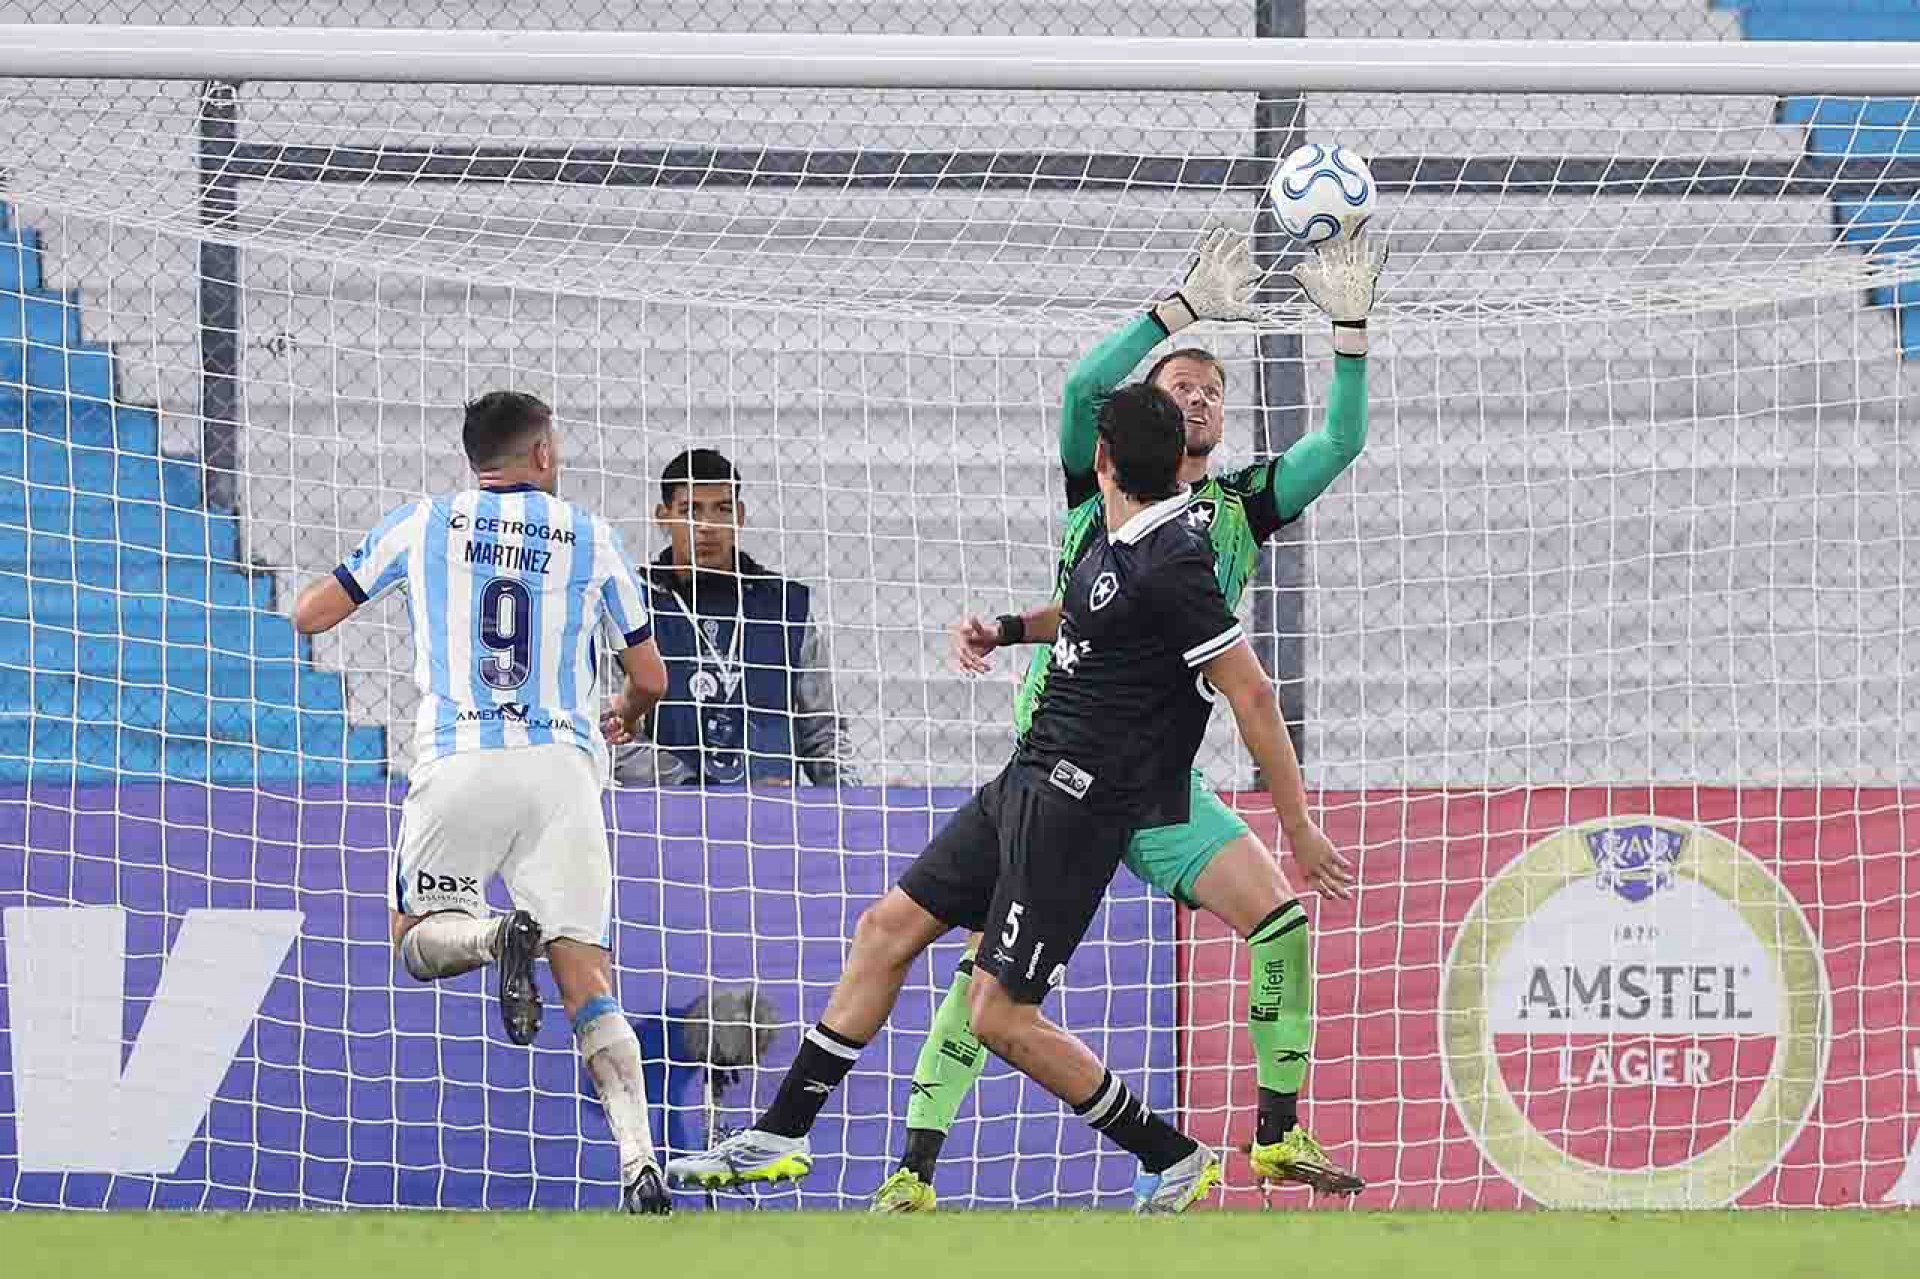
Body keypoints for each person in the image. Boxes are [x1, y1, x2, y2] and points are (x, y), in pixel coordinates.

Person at [664, 376, 1344, 1215]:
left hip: (1077, 811)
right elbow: (1090, 611)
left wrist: (1299, 825)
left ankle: (1170, 1153)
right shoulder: (1118, 535)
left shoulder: (1178, 564)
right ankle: (782, 1132)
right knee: (885, 929)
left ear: (1102, 459)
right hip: (1023, 779)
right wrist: (1009, 627)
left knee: (998, 1014)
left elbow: (1254, 694)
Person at [871, 227, 1387, 1212]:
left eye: (1213, 390)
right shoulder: (1095, 487)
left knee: (1279, 920)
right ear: (1144, 418)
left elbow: (1342, 441)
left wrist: (1351, 334)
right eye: (1180, 385)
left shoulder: (1239, 511)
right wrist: (1178, 311)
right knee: (993, 973)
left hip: (1158, 785)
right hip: (1062, 769)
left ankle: (1275, 1137)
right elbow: (1078, 397)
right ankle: (915, 1168)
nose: (1199, 395)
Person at [290, 390, 675, 1216]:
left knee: (413, 936)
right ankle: (640, 1157)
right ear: (541, 455)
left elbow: (309, 612)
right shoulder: (590, 535)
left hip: (461, 758)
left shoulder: (423, 522)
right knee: (586, 973)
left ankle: (495, 934)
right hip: (564, 769)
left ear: (476, 458)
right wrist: (627, 715)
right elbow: (651, 678)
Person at [611, 447, 858, 787]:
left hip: (774, 818)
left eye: (722, 509)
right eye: (690, 510)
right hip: (667, 817)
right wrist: (704, 790)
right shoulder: (631, 603)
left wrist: (855, 806)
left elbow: (823, 733)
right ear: (662, 516)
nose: (707, 526)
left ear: (739, 515)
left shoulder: (787, 606)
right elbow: (611, 738)